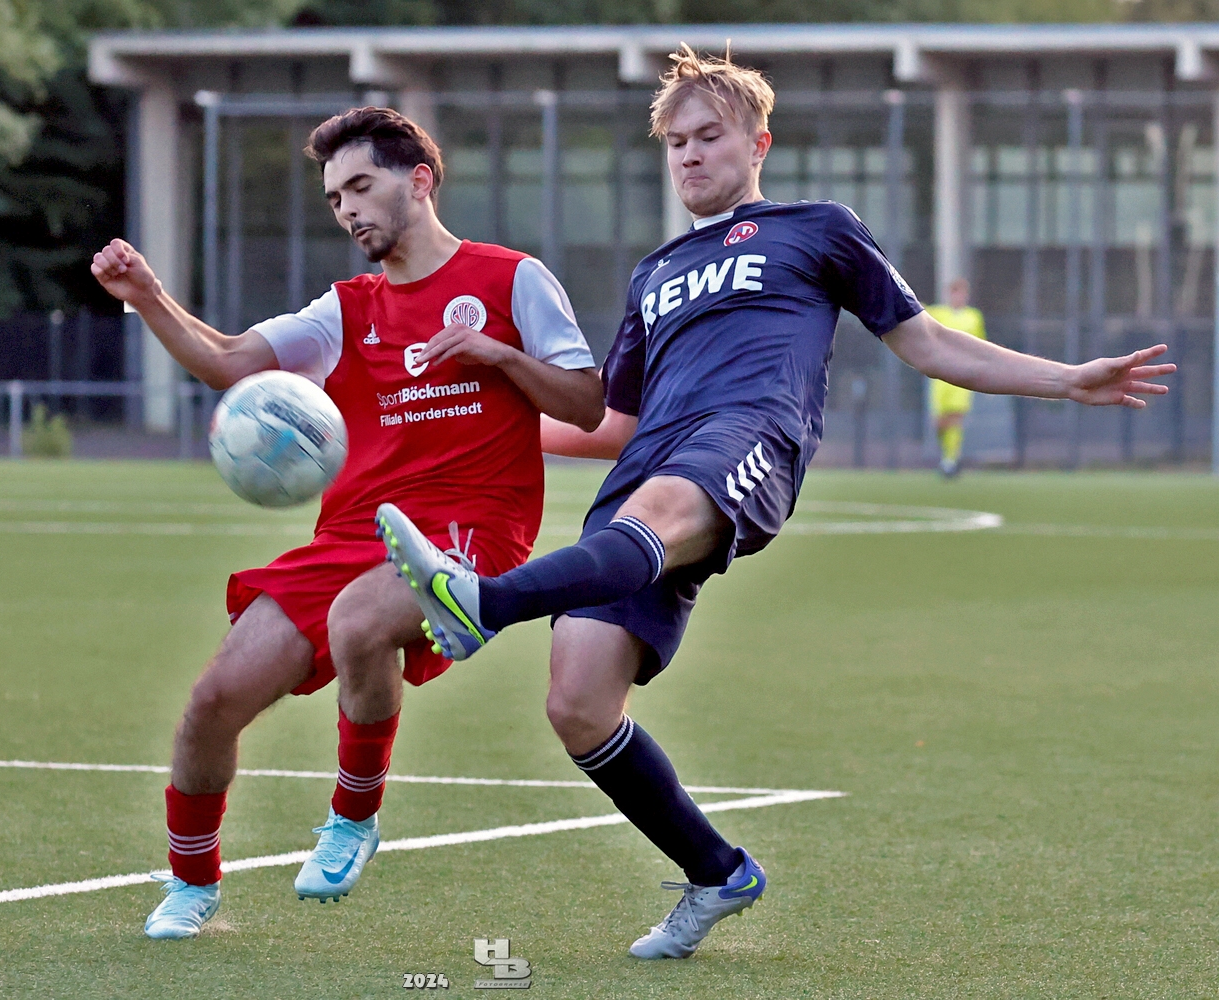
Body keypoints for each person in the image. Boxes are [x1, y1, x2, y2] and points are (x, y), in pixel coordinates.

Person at [376, 45, 1175, 960]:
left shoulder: (817, 229)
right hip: (650, 465)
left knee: (648, 519)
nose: (689, 155)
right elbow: (613, 422)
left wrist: (1067, 378)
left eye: (708, 136)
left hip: (749, 435)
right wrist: (475, 425)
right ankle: (718, 873)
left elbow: (928, 344)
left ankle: (484, 603)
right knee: (578, 705)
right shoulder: (654, 273)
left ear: (758, 143)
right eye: (675, 142)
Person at [91, 107, 603, 939]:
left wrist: (498, 356)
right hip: (352, 535)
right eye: (335, 199)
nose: (348, 209)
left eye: (361, 186)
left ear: (419, 181)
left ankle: (353, 817)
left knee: (360, 621)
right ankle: (191, 884)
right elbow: (226, 361)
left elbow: (585, 405)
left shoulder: (513, 280)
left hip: (472, 525)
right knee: (212, 701)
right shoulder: (346, 308)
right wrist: (147, 296)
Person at [924, 277, 987, 476]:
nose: (958, 297)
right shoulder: (939, 313)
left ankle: (951, 460)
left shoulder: (973, 316)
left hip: (962, 375)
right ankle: (947, 455)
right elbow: (919, 311)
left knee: (956, 419)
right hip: (941, 377)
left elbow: (981, 344)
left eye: (961, 293)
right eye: (954, 293)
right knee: (939, 422)